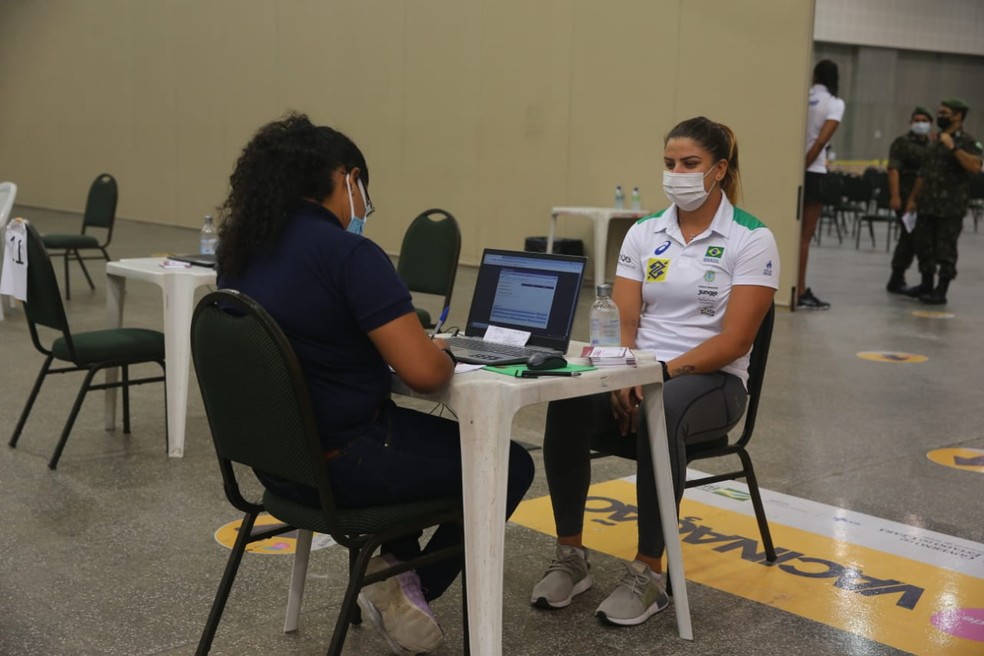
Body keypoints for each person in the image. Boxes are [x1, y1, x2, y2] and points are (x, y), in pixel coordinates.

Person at [215, 113, 535, 655]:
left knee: (410, 444)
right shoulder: (349, 254)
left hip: (280, 465)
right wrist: (438, 352)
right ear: (349, 178)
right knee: (510, 463)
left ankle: (393, 570)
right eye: (363, 192)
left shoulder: (240, 254)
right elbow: (424, 375)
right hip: (346, 463)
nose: (363, 206)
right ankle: (405, 588)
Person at [531, 117, 778, 627]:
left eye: (690, 164)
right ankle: (571, 557)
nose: (677, 174)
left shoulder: (752, 238)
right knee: (568, 396)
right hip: (641, 374)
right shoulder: (644, 233)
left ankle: (649, 573)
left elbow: (736, 341)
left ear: (719, 169)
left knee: (664, 411)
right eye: (669, 163)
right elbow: (624, 321)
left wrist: (656, 378)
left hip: (714, 383)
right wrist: (621, 375)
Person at [904, 99, 984, 304]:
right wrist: (913, 199)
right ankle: (926, 284)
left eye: (945, 113)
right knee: (924, 247)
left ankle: (941, 290)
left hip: (950, 208)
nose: (940, 116)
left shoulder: (967, 141)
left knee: (946, 250)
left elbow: (976, 166)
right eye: (940, 112)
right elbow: (923, 173)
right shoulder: (935, 142)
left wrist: (954, 148)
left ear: (958, 116)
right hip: (927, 205)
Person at [798, 59, 844, 310]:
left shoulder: (802, 97)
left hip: (794, 169)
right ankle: (800, 290)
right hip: (813, 170)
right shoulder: (835, 103)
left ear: (815, 75)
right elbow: (821, 140)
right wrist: (804, 166)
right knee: (805, 237)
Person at [885, 107, 933, 293]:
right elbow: (893, 170)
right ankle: (897, 277)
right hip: (906, 197)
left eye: (924, 120)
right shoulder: (902, 143)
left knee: (923, 239)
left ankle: (921, 279)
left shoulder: (932, 145)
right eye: (917, 120)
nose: (920, 124)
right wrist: (895, 196)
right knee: (909, 237)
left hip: (927, 200)